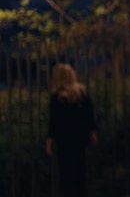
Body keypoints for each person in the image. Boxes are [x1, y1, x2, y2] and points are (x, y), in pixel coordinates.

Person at [46, 63, 98, 197]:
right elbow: (90, 115)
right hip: (80, 138)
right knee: (80, 171)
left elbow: (54, 122)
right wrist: (92, 132)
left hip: (64, 140)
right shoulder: (81, 94)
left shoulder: (57, 98)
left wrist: (50, 140)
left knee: (66, 174)